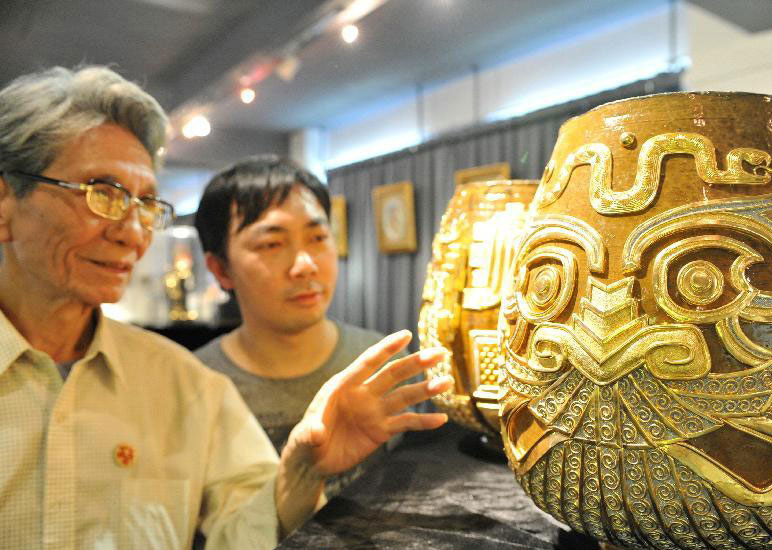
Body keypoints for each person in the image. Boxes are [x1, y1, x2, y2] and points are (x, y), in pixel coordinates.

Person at [0, 65, 451, 550]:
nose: (132, 232)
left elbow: (241, 531)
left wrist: (301, 472)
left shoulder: (186, 386)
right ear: (6, 201)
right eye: (102, 194)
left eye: (146, 203)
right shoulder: (199, 375)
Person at [192, 157, 407, 497]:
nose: (305, 265)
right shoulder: (193, 384)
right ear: (221, 269)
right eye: (271, 244)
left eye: (318, 237)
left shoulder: (381, 362)